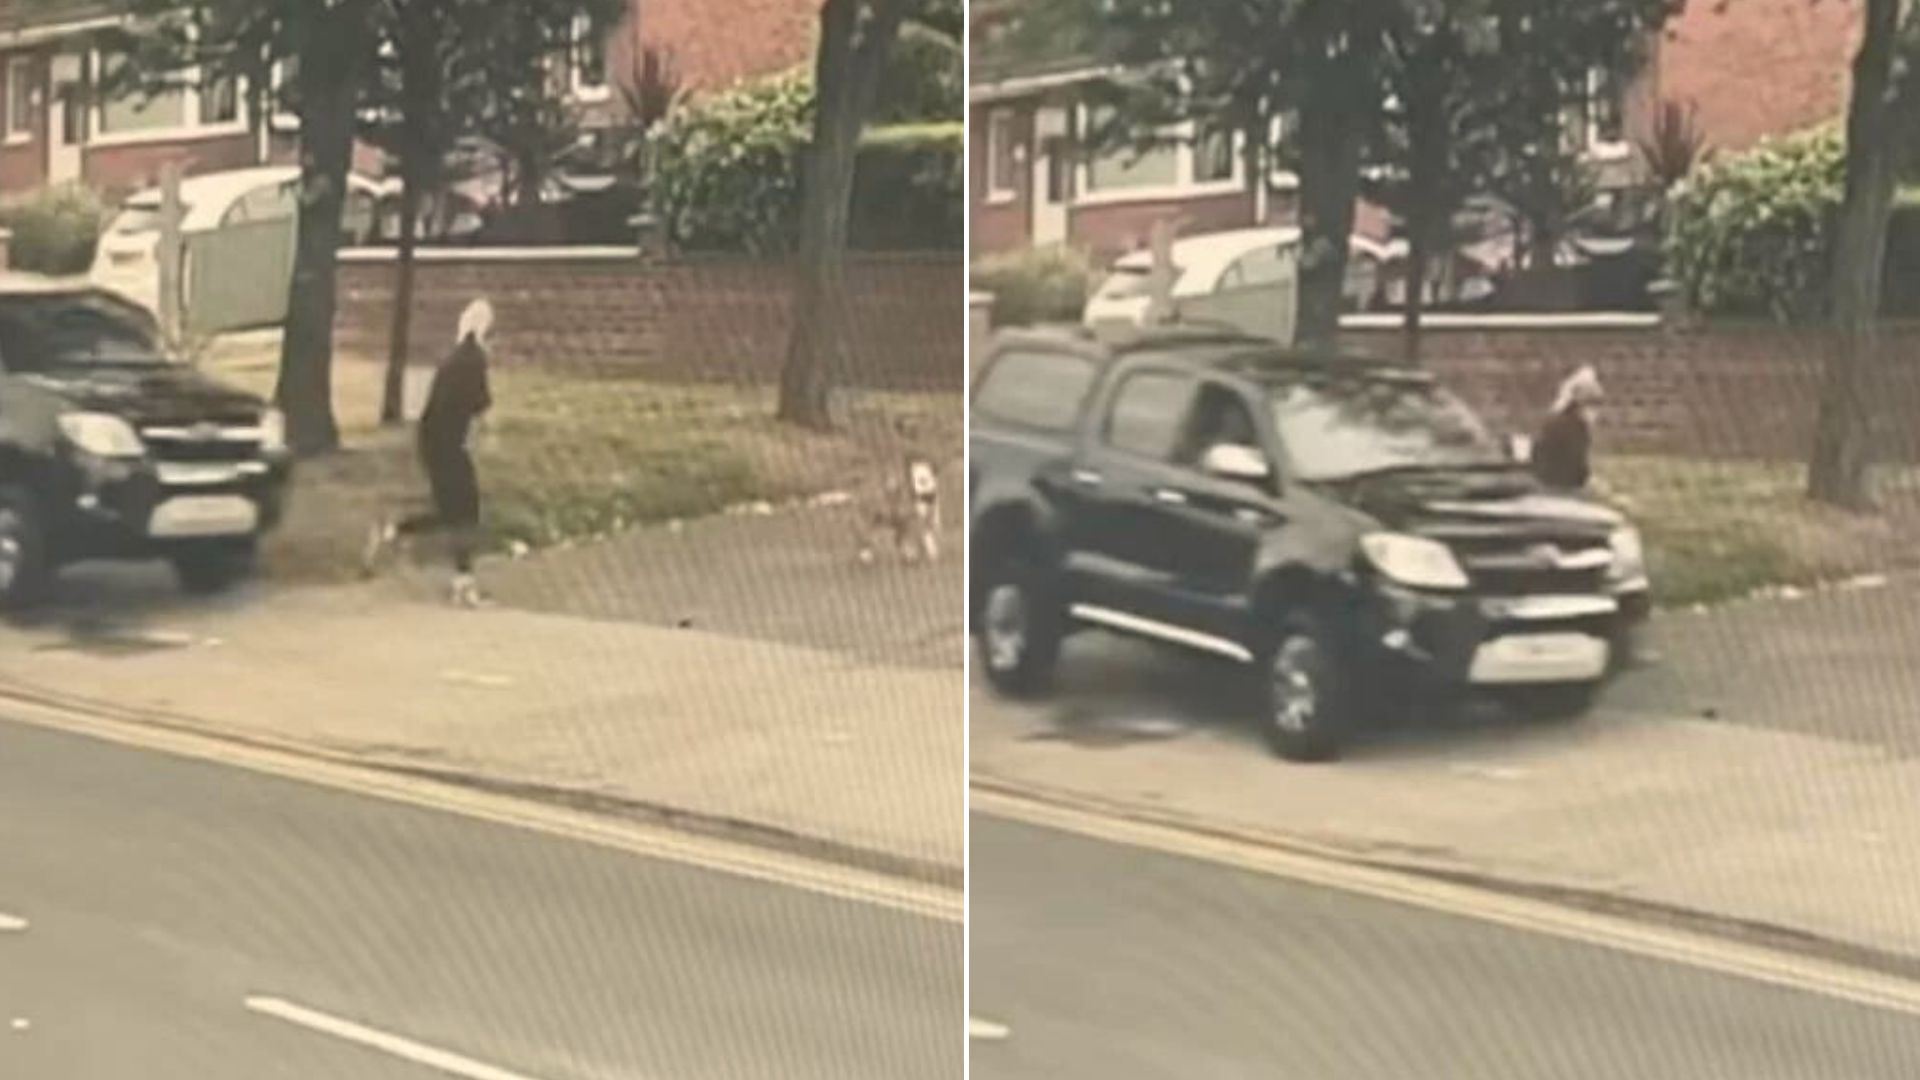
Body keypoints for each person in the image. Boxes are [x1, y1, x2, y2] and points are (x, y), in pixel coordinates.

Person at [363, 297, 496, 606]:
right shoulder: (473, 360)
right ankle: (463, 583)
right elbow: (479, 408)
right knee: (464, 511)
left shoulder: (457, 358)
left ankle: (394, 531)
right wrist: (482, 437)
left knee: (453, 510)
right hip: (447, 444)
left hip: (436, 441)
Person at [1531, 364, 1603, 491]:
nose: (1595, 414)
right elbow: (1576, 462)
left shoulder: (1559, 420)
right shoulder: (1573, 427)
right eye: (1592, 407)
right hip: (1559, 485)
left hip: (1546, 480)